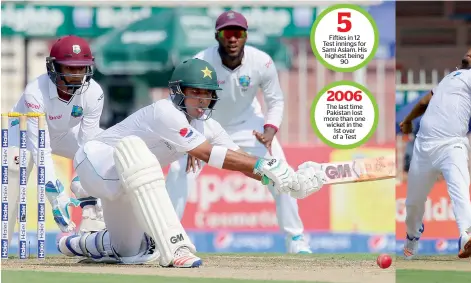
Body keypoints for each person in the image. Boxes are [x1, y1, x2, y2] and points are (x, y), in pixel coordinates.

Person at [58, 59, 326, 268]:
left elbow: (241, 160)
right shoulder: (166, 112)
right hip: (96, 160)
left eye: (207, 94)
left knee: (131, 251)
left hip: (126, 185)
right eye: (194, 92)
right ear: (178, 92)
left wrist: (288, 181)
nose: (202, 100)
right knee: (140, 157)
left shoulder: (207, 125)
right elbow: (211, 154)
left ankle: (71, 243)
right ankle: (176, 247)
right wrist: (262, 165)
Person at [164, 10, 312, 254]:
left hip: (249, 127)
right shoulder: (202, 61)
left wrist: (270, 130)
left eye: (238, 33)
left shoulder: (262, 61)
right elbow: (185, 101)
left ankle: (296, 240)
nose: (232, 39)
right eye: (227, 33)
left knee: (282, 173)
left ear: (245, 36)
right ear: (217, 36)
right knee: (180, 170)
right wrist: (190, 137)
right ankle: (169, 237)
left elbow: (276, 101)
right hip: (206, 126)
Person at [399, 43, 471, 259]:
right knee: (413, 203)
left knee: (460, 190)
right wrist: (408, 120)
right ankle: (413, 235)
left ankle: (467, 235)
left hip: (452, 145)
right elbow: (425, 102)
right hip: (423, 147)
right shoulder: (450, 76)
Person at [6, 35, 106, 247]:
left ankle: (95, 227)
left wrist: (86, 182)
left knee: (105, 152)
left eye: (81, 68)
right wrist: (55, 195)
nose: (77, 75)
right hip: (22, 136)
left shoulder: (94, 92)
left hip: (62, 134)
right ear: (54, 67)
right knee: (15, 165)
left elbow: (88, 144)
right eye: (70, 69)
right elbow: (40, 147)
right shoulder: (35, 92)